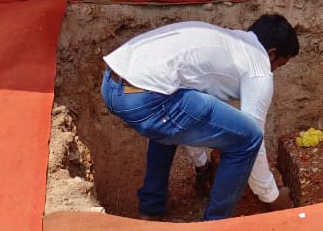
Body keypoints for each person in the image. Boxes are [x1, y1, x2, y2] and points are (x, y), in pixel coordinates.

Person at [102, 15, 297, 220]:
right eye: (279, 65)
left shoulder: (227, 43)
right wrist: (273, 197)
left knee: (169, 119)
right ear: (272, 53)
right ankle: (214, 224)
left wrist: (202, 166)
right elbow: (254, 139)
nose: (274, 71)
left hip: (112, 85)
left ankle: (151, 209)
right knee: (248, 139)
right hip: (145, 99)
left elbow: (186, 119)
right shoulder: (260, 70)